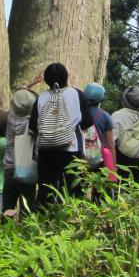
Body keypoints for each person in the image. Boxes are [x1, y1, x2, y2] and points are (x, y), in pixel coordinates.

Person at [29, 62, 93, 206]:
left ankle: (44, 221)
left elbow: (33, 125)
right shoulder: (76, 94)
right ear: (66, 77)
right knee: (72, 189)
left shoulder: (41, 98)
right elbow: (88, 121)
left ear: (46, 79)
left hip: (45, 150)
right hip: (71, 149)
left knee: (45, 189)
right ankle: (71, 221)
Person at [2, 80, 40, 216]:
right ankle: (24, 234)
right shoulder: (32, 123)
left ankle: (5, 234)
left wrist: (29, 85)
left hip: (9, 168)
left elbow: (18, 97)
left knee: (8, 207)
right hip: (25, 168)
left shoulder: (9, 119)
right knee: (27, 209)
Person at [112, 85, 139, 183]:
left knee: (120, 180)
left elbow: (111, 140)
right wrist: (138, 92)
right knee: (137, 179)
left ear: (124, 102)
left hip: (122, 155)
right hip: (138, 156)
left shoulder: (118, 115)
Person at [83, 82, 117, 171]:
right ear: (101, 100)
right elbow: (110, 145)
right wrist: (113, 168)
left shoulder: (79, 112)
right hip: (96, 160)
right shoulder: (105, 116)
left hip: (78, 156)